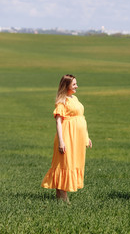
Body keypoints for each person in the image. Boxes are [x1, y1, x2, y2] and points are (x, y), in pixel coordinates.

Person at [41, 74, 92, 203]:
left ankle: (60, 198)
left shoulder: (75, 98)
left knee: (73, 163)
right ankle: (63, 198)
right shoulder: (62, 101)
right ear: (66, 85)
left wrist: (87, 137)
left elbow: (81, 118)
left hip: (77, 138)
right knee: (65, 164)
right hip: (67, 137)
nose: (77, 86)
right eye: (74, 84)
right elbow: (58, 122)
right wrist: (61, 141)